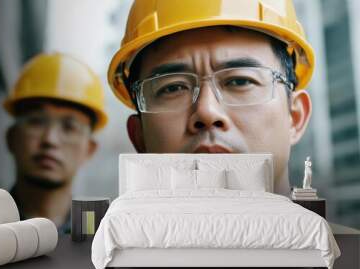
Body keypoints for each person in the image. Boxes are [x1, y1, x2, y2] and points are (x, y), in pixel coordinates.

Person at [107, 0, 314, 196]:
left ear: (295, 117)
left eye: (240, 81)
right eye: (173, 87)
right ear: (139, 135)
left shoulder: (333, 236)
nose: (207, 111)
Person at [4, 52, 108, 233]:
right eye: (36, 121)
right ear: (11, 138)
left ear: (89, 150)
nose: (50, 139)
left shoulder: (100, 235)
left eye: (69, 127)